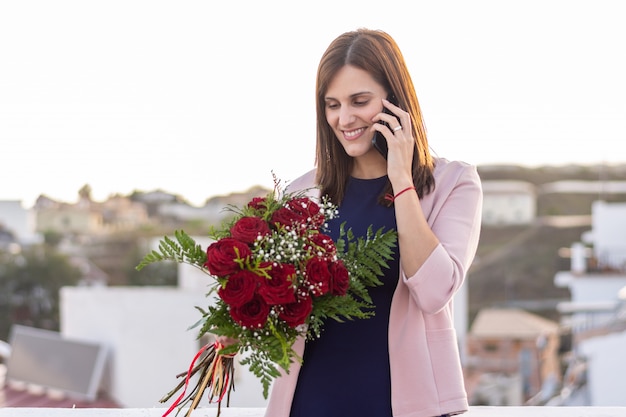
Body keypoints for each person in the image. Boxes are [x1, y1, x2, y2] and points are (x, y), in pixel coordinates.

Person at [263, 28, 483, 417]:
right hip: (309, 403)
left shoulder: (454, 183)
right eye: (332, 105)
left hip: (404, 407)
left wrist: (401, 180)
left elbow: (434, 292)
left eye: (359, 101)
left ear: (394, 101)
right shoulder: (301, 192)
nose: (344, 118)